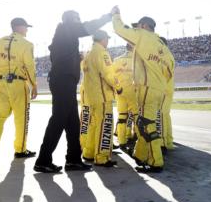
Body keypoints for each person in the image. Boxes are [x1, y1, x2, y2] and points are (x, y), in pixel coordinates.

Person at [34, 11, 112, 173]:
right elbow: (87, 28)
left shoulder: (64, 36)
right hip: (63, 81)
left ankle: (73, 159)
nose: (80, 22)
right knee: (58, 120)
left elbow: (62, 56)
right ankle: (43, 160)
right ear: (72, 20)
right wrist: (108, 16)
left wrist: (77, 57)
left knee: (73, 124)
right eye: (78, 19)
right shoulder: (65, 29)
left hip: (65, 81)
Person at [111, 6, 172, 173]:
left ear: (144, 26)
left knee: (146, 125)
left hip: (146, 88)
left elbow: (119, 29)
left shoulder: (144, 36)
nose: (136, 28)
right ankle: (140, 154)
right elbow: (170, 70)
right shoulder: (163, 46)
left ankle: (155, 162)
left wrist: (116, 14)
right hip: (159, 89)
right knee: (144, 122)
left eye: (138, 26)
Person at [0, 18, 37, 165]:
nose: (27, 30)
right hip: (18, 84)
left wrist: (0, 78)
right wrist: (34, 85)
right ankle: (20, 150)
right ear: (19, 27)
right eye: (26, 27)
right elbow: (30, 67)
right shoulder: (27, 45)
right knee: (21, 119)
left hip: (1, 84)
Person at [81, 30, 120, 166]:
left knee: (94, 125)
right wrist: (118, 86)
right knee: (105, 125)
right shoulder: (102, 53)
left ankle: (89, 153)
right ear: (102, 39)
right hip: (102, 96)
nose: (108, 41)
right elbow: (108, 73)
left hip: (91, 96)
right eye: (107, 39)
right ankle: (102, 157)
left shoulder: (88, 54)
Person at [112, 42, 138, 153]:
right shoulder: (137, 59)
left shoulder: (117, 60)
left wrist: (117, 89)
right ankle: (138, 138)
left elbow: (112, 76)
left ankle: (121, 141)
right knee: (136, 115)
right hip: (133, 91)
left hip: (120, 91)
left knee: (122, 116)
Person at [159, 37, 175, 152]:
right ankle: (168, 140)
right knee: (166, 115)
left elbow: (163, 73)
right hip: (167, 88)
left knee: (162, 115)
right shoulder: (167, 54)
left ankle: (163, 142)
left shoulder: (164, 54)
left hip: (164, 89)